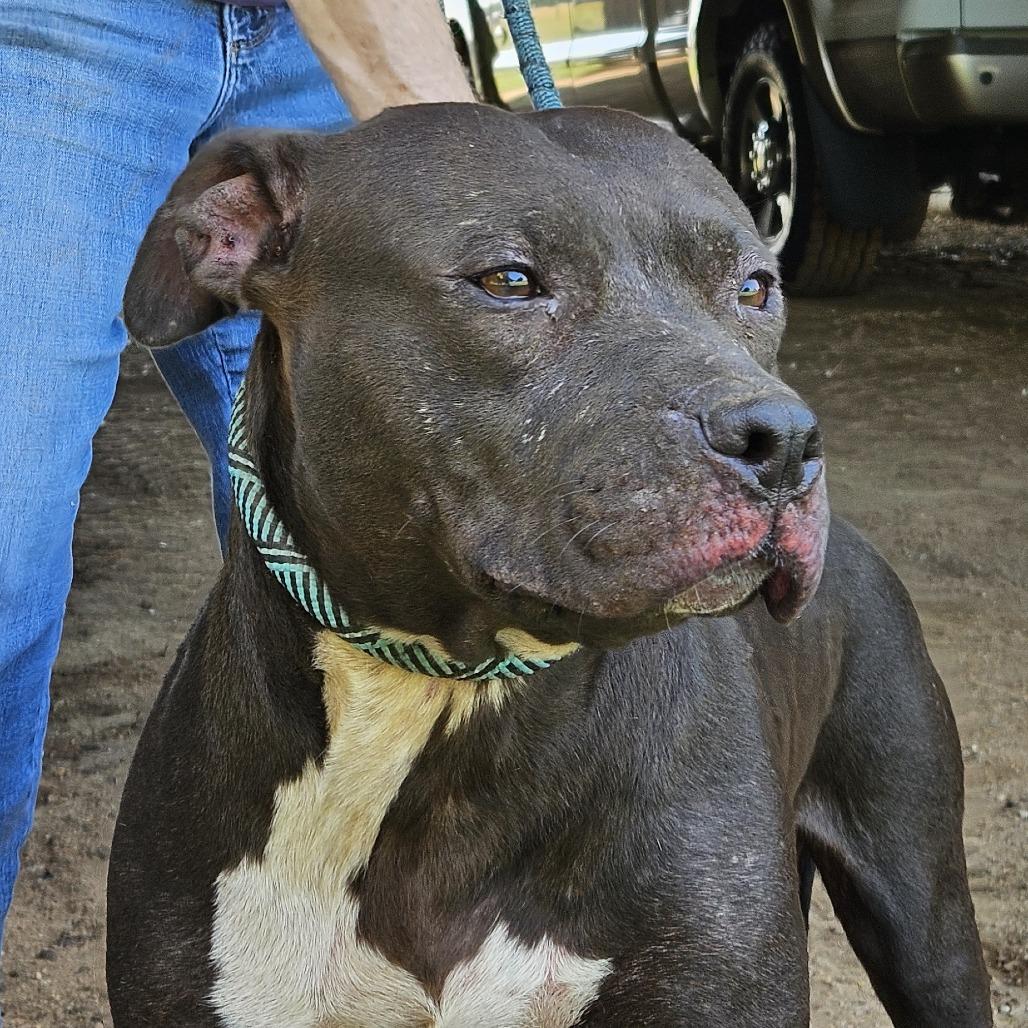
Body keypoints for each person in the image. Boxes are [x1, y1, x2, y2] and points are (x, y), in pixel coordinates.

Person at [0, 0, 474, 971]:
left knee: (388, 556)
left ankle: (363, 966)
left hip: (308, 47)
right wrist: (468, 170)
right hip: (69, 24)